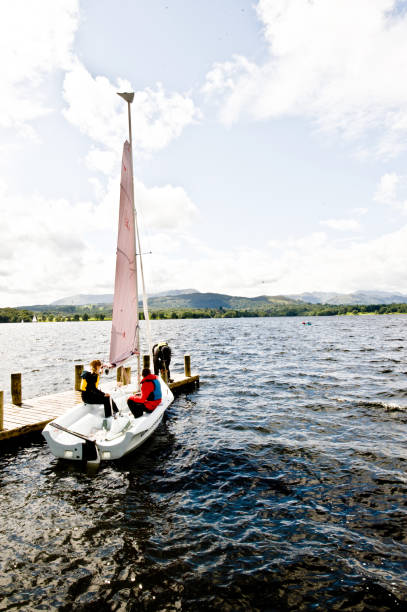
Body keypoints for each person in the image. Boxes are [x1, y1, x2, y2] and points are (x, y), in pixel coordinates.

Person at [80, 359, 119, 424]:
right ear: (97, 367)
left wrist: (101, 393)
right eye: (100, 367)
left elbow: (91, 388)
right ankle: (108, 417)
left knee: (108, 398)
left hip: (87, 395)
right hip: (87, 398)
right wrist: (103, 394)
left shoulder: (90, 373)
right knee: (106, 399)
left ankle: (116, 412)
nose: (101, 369)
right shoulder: (92, 376)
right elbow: (93, 389)